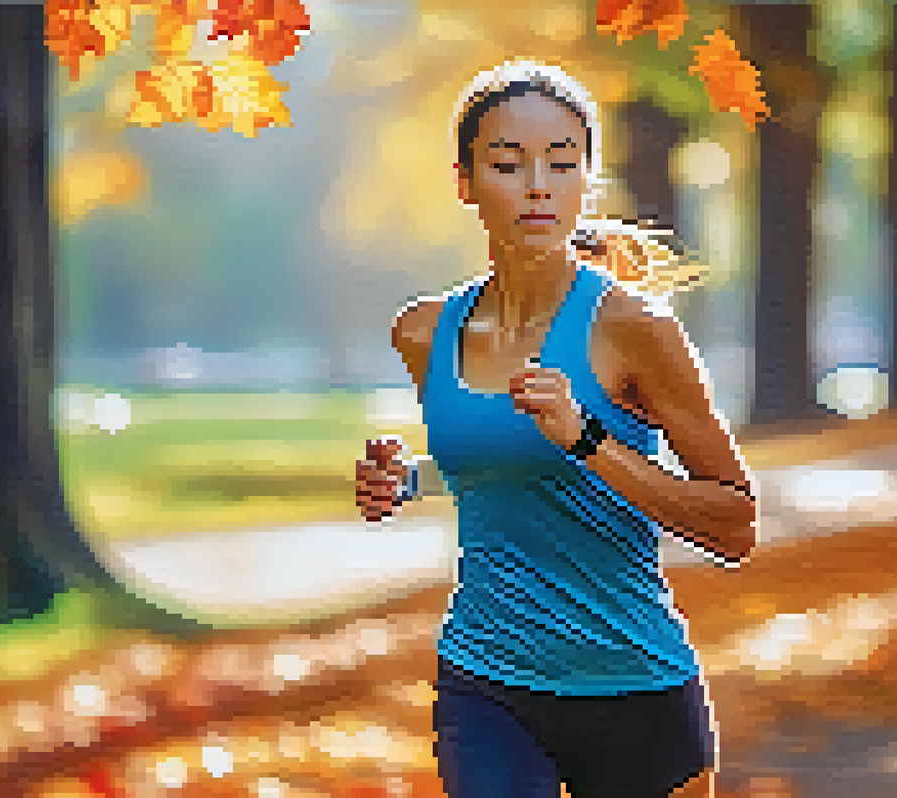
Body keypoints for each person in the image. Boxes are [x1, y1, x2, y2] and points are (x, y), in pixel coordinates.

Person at [354, 60, 759, 798]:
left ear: (586, 181)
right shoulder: (422, 333)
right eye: (507, 165)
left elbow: (733, 524)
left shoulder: (635, 329)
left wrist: (588, 439)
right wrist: (409, 478)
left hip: (635, 689)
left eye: (562, 163)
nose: (538, 185)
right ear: (466, 183)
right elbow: (501, 468)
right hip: (486, 684)